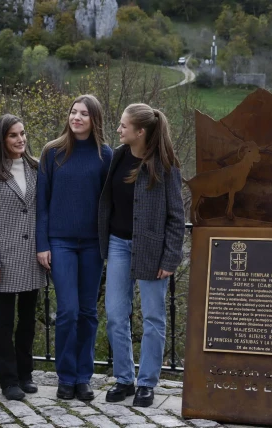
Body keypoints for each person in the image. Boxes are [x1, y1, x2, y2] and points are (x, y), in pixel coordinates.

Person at [98, 103, 185, 406]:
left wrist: (170, 258)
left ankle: (147, 383)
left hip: (152, 251)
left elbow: (176, 217)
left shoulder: (166, 165)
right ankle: (124, 379)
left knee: (153, 318)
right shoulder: (118, 156)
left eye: (123, 126)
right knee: (115, 316)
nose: (119, 129)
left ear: (140, 131)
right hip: (118, 245)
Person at [36, 94, 113, 401]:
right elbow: (41, 204)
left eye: (84, 113)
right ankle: (65, 377)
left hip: (93, 244)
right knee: (67, 311)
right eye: (73, 112)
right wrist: (43, 244)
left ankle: (84, 378)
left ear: (94, 119)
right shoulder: (52, 152)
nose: (76, 117)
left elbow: (110, 203)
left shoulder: (105, 155)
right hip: (61, 242)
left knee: (88, 311)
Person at [0, 114, 47, 401]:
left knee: (28, 320)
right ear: (2, 140)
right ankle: (8, 379)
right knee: (4, 322)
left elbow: (43, 212)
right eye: (13, 135)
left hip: (33, 257)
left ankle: (25, 373)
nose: (21, 139)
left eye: (23, 134)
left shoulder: (36, 168)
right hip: (4, 260)